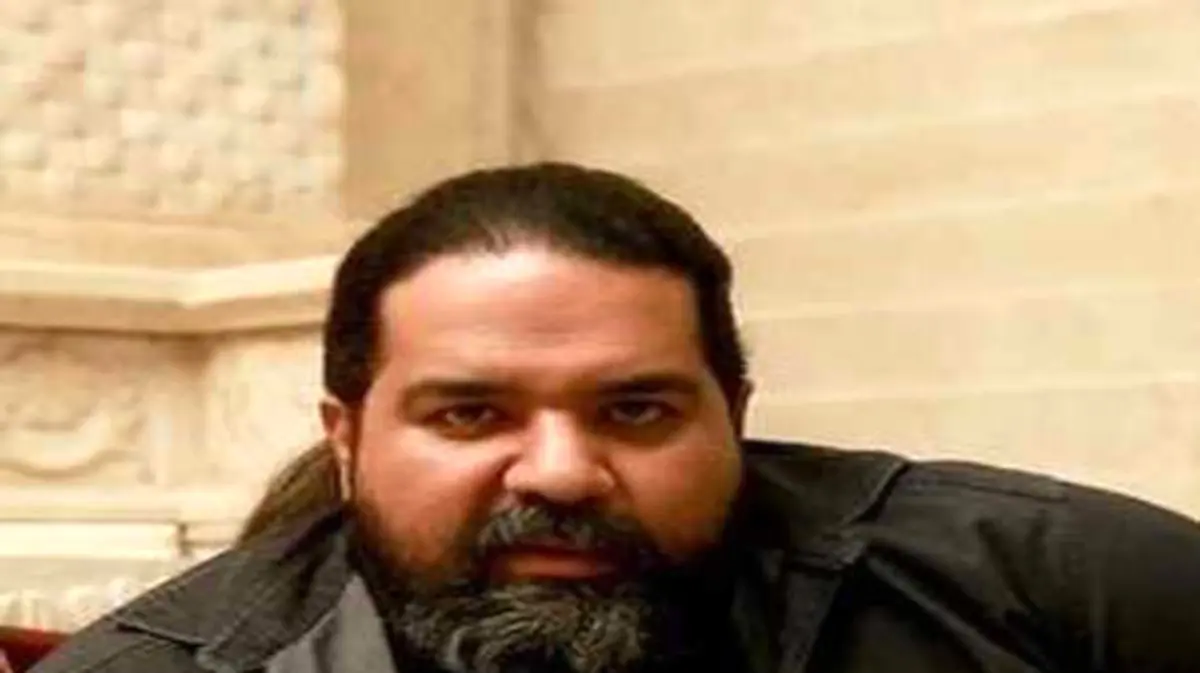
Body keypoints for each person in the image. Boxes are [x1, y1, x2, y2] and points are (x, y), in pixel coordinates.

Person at [32, 163, 1200, 673]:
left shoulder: (1046, 587)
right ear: (348, 437)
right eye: (470, 412)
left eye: (636, 408)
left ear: (733, 413)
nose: (559, 471)